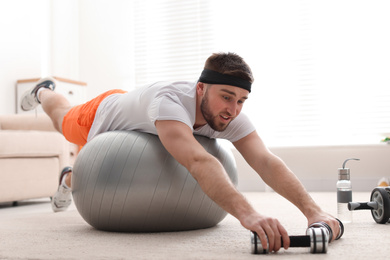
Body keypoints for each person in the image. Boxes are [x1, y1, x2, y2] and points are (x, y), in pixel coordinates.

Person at [21, 52, 340, 252]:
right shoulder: (171, 102)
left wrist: (315, 212)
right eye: (226, 96)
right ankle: (43, 90)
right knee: (61, 118)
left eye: (241, 100)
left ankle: (71, 175)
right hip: (103, 115)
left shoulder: (228, 115)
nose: (232, 109)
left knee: (118, 169)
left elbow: (266, 162)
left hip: (131, 138)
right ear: (201, 87)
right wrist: (249, 213)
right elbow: (199, 160)